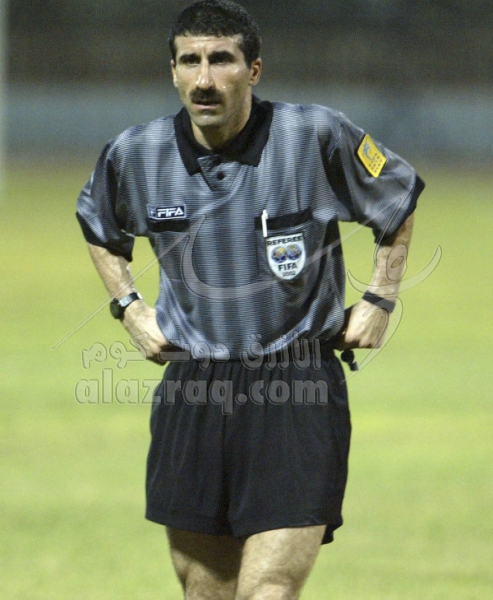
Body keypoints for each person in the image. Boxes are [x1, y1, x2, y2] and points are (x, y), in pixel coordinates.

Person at [76, 0, 424, 597]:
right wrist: (129, 308)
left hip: (297, 384)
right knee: (205, 591)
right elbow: (98, 226)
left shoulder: (314, 136)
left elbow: (398, 198)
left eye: (221, 60)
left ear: (254, 70)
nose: (204, 79)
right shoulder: (137, 152)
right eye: (190, 61)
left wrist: (381, 298)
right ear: (173, 71)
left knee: (269, 590)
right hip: (194, 385)